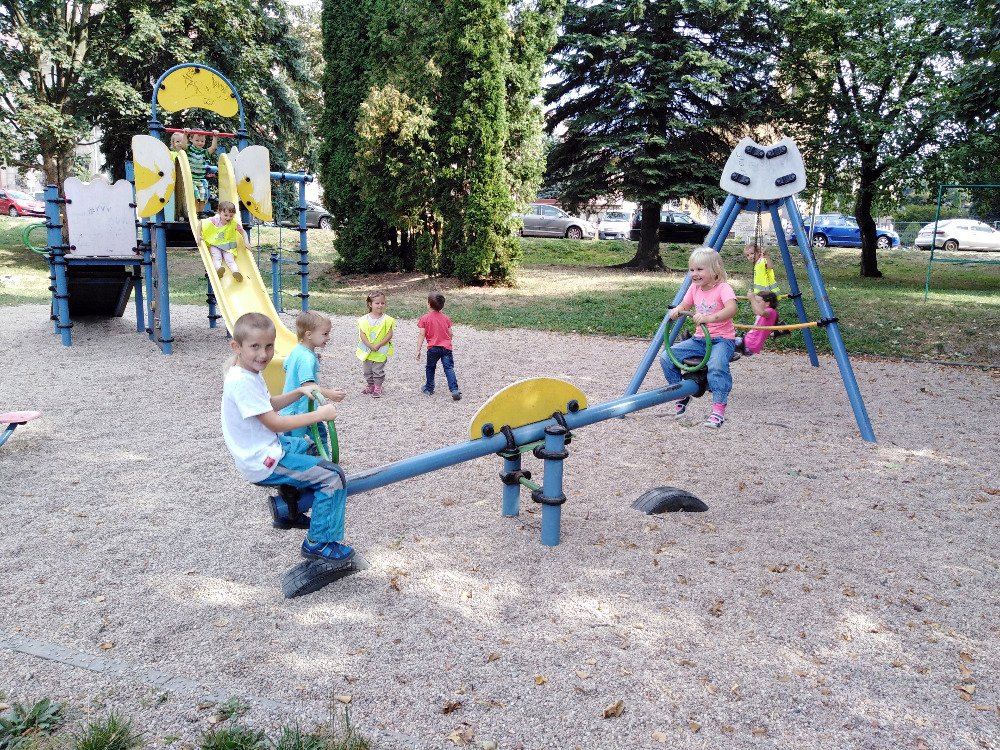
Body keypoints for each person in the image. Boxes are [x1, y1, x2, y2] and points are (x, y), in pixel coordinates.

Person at [221, 312, 354, 563]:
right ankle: (319, 542)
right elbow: (274, 422)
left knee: (308, 446)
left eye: (269, 346)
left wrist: (300, 391)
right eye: (255, 346)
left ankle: (290, 507)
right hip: (264, 460)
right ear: (236, 346)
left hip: (265, 448)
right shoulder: (242, 382)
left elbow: (269, 404)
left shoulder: (248, 372)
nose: (263, 354)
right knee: (333, 476)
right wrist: (319, 415)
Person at [661, 247, 738, 429]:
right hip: (700, 340)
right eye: (692, 270)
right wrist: (677, 310)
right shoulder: (694, 288)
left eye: (700, 269)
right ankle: (680, 393)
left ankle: (718, 409)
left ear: (715, 270)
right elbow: (685, 305)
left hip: (722, 339)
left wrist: (709, 318)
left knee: (717, 365)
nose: (694, 274)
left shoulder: (723, 288)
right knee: (666, 357)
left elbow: (732, 309)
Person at [281, 310, 347, 438]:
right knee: (301, 443)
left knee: (315, 437)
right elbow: (309, 386)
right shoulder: (307, 358)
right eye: (325, 334)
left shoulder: (297, 350)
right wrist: (330, 394)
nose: (328, 337)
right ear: (309, 335)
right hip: (301, 412)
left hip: (293, 410)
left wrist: (314, 359)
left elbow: (286, 366)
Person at [415, 292, 461, 401]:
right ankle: (454, 389)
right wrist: (447, 342)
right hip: (446, 348)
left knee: (430, 368)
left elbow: (421, 334)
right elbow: (450, 333)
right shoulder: (445, 318)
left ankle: (429, 388)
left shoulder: (425, 318)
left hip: (433, 349)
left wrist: (418, 350)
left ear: (429, 304)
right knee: (449, 368)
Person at [356, 291, 395, 398]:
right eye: (377, 303)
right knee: (367, 371)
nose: (380, 305)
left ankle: (378, 387)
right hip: (367, 351)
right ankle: (371, 385)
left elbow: (389, 334)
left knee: (378, 371)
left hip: (380, 351)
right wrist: (369, 345)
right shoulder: (363, 320)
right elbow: (362, 334)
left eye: (382, 303)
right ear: (370, 304)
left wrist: (379, 344)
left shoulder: (387, 320)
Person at [198, 200, 250, 281]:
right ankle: (219, 269)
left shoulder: (234, 223)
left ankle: (236, 272)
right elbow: (201, 223)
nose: (228, 218)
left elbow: (243, 232)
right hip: (215, 244)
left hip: (228, 246)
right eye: (225, 215)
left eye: (231, 216)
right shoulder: (215, 220)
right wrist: (198, 235)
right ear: (219, 213)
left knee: (230, 260)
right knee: (216, 257)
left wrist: (246, 241)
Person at [735, 290, 779, 356]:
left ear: (767, 304)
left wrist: (752, 299)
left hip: (750, 344)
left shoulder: (771, 311)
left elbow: (760, 312)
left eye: (758, 302)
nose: (756, 304)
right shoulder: (767, 312)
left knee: (724, 340)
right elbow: (757, 311)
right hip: (747, 342)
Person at [187, 130, 219, 214]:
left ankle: (200, 212)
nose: (200, 143)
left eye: (202, 141)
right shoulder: (189, 149)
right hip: (191, 179)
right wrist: (185, 134)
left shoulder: (204, 152)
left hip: (201, 179)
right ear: (191, 139)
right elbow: (182, 146)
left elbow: (213, 148)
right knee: (195, 194)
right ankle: (195, 212)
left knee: (203, 195)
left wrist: (215, 137)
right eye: (197, 140)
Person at [165, 132, 188, 223]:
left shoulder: (187, 154)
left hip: (185, 181)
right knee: (176, 199)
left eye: (182, 141)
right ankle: (178, 215)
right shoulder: (172, 154)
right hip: (175, 180)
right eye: (177, 141)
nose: (180, 144)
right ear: (173, 144)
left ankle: (185, 214)